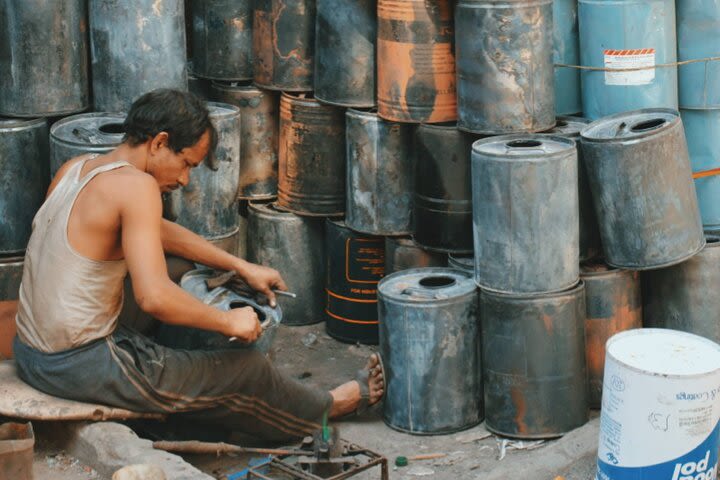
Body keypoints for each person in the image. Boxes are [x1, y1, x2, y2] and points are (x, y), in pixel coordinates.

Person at [13, 89, 384, 441]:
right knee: (246, 372)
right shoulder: (136, 186)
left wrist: (240, 266)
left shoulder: (78, 168)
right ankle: (330, 406)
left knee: (177, 266)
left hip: (30, 352)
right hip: (72, 365)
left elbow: (160, 232)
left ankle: (177, 378)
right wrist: (229, 321)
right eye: (186, 163)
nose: (185, 179)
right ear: (158, 143)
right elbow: (154, 298)